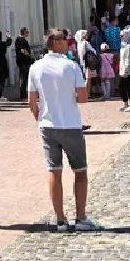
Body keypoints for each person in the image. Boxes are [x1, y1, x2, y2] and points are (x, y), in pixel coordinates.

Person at [27, 29, 100, 232]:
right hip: (70, 124)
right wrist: (88, 79)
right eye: (64, 40)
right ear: (56, 43)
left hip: (48, 125)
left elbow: (31, 101)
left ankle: (60, 219)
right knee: (80, 171)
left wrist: (40, 118)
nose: (68, 43)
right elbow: (83, 98)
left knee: (54, 171)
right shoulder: (70, 66)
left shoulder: (36, 67)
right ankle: (81, 217)